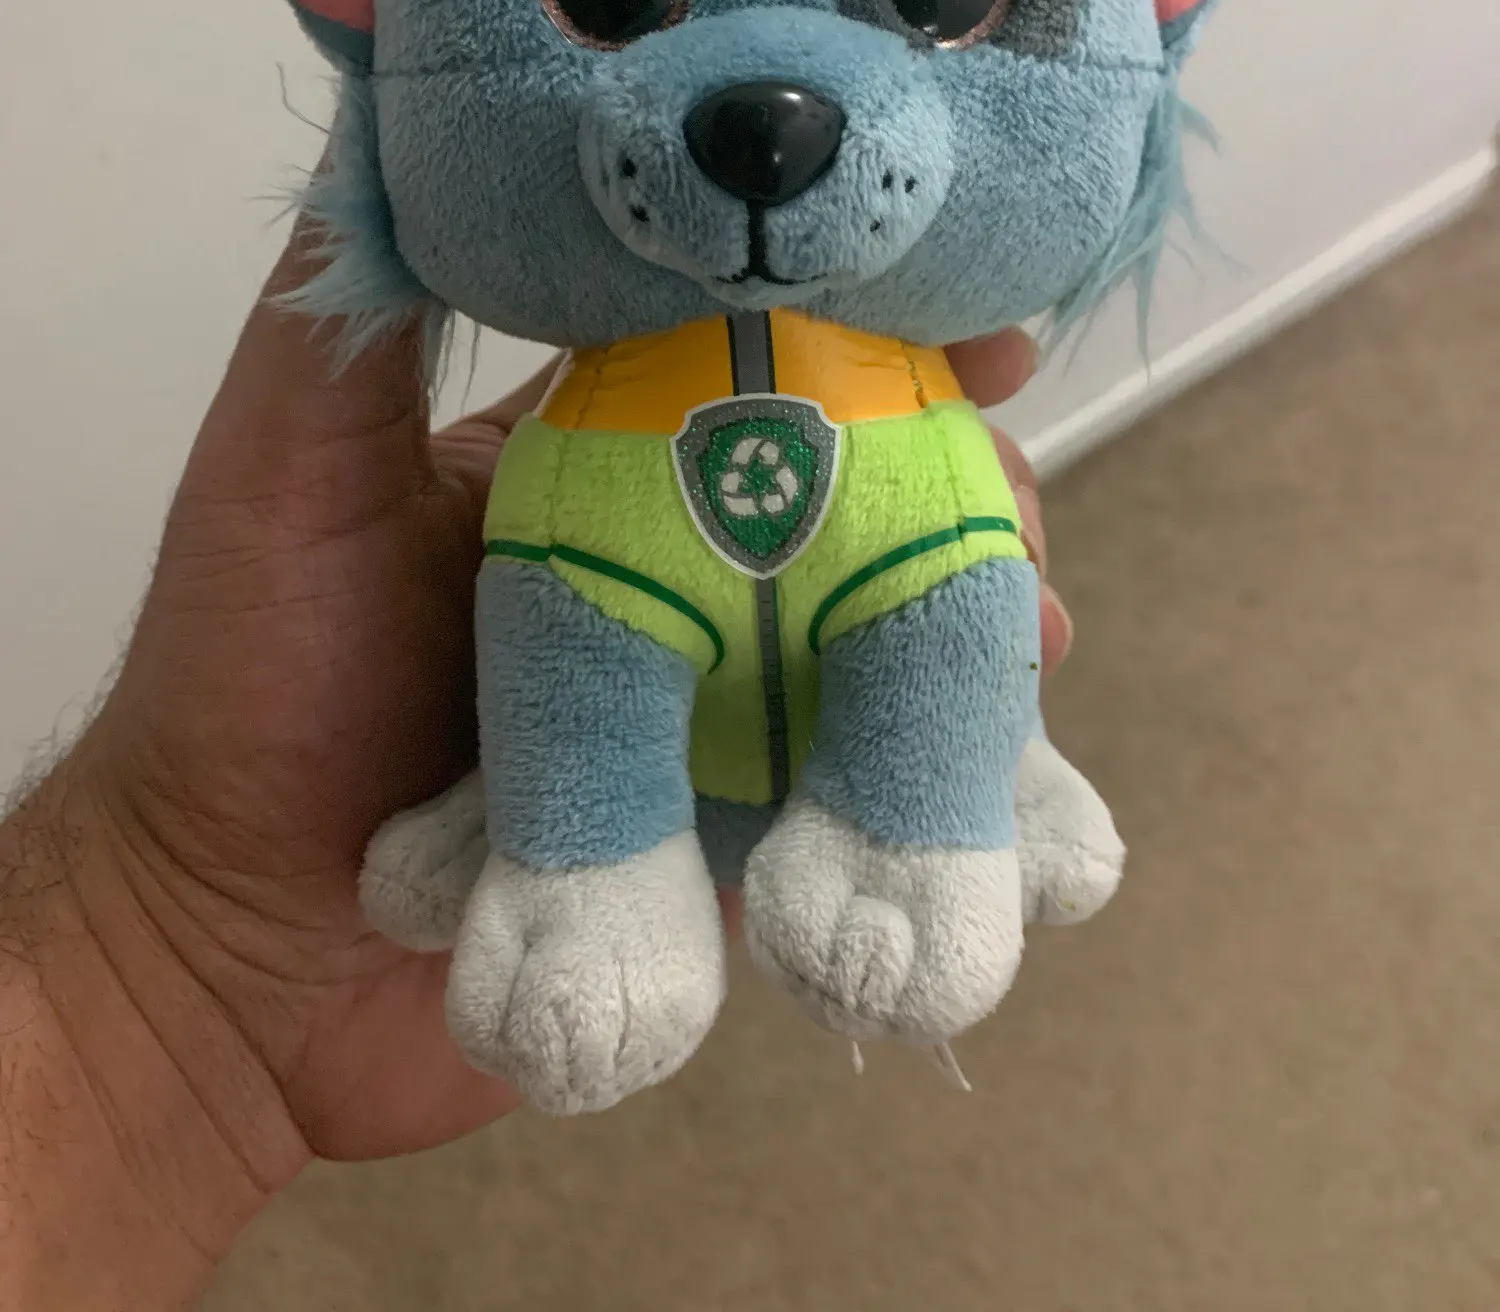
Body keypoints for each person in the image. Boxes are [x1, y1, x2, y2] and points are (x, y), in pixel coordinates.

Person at [0, 228, 1070, 1310]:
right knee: (585, 621)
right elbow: (559, 659)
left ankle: (959, 800)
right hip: (626, 613)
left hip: (831, 502)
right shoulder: (568, 460)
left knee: (960, 592)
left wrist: (160, 945)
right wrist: (176, 937)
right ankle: (575, 863)